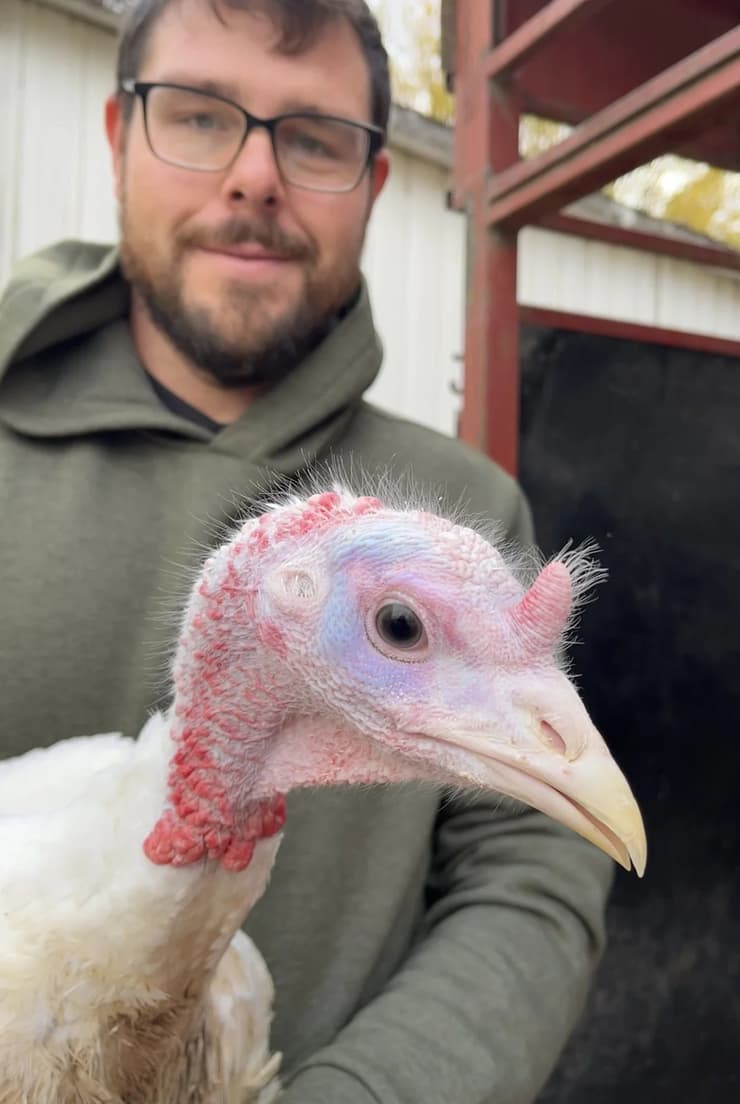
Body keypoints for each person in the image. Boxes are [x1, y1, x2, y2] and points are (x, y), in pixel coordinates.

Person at [0, 1, 614, 1100]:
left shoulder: (462, 518)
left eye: (315, 139)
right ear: (117, 138)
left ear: (375, 183)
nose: (253, 176)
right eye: (196, 116)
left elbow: (529, 879)